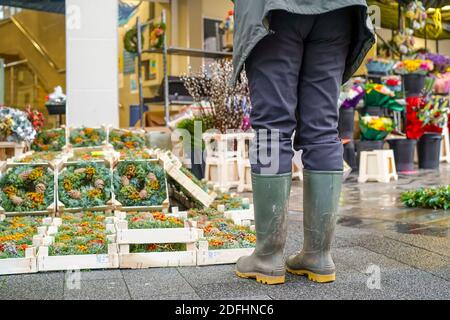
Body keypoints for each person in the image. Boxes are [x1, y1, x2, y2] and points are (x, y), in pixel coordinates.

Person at [231, 0, 375, 284]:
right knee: (323, 128)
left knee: (272, 128)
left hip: (274, 9)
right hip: (338, 9)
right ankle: (318, 255)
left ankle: (268, 256)